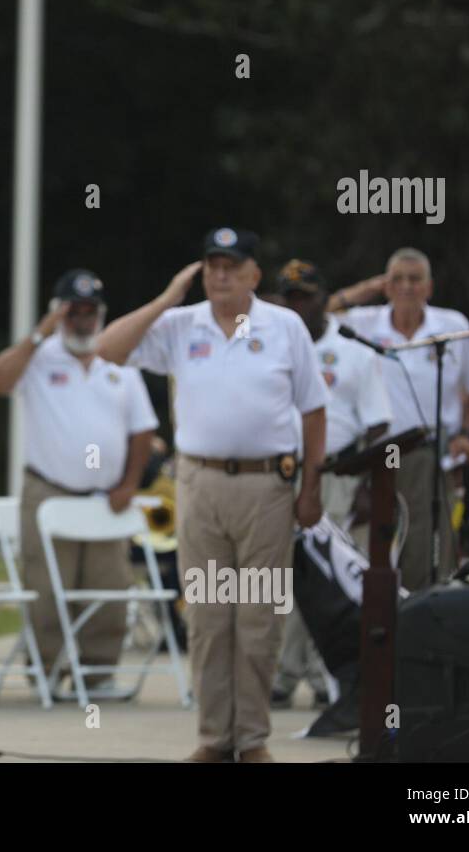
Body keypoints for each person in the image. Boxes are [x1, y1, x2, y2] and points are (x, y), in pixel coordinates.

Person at [98, 228, 328, 763]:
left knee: (258, 617)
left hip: (267, 486)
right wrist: (166, 298)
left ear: (254, 274)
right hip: (200, 485)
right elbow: (109, 348)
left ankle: (251, 740)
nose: (220, 275)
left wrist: (311, 487)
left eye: (232, 265)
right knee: (206, 615)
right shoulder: (181, 325)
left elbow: (315, 411)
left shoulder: (285, 326)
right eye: (212, 265)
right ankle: (212, 738)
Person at [0, 269, 157, 690]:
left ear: (101, 315)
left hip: (106, 497)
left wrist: (130, 482)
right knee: (46, 588)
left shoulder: (119, 362)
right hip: (48, 489)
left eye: (89, 312)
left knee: (109, 586)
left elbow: (143, 430)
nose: (82, 320)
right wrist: (39, 334)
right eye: (73, 311)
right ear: (58, 314)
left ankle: (98, 674)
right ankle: (48, 672)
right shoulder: (39, 358)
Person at [327, 248, 469, 591]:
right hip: (373, 453)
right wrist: (369, 287)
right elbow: (321, 312)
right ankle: (375, 624)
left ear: (429, 288)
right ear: (386, 286)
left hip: (427, 453)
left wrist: (467, 434)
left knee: (428, 547)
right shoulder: (363, 321)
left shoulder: (451, 326)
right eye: (397, 279)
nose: (406, 287)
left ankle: (424, 621)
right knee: (368, 546)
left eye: (415, 279)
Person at [271, 259, 391, 710]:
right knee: (281, 578)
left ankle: (323, 676)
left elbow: (379, 426)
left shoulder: (355, 350)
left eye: (307, 296)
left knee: (322, 579)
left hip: (336, 474)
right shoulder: (270, 344)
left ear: (325, 298)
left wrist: (371, 485)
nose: (298, 305)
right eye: (290, 297)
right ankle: (284, 674)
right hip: (276, 471)